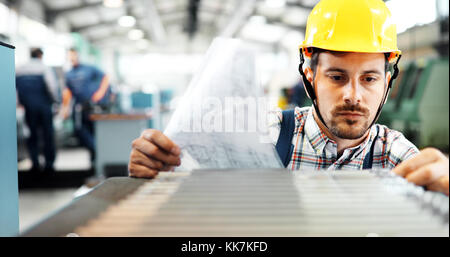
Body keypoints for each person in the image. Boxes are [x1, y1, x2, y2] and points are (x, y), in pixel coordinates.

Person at [127, 0, 449, 196]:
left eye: (369, 79)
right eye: (337, 77)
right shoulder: (264, 135)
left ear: (388, 80)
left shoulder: (394, 154)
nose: (354, 95)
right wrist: (155, 172)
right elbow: (186, 188)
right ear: (310, 74)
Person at [62, 48, 111, 161]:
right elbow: (67, 92)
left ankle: (96, 159)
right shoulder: (69, 74)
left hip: (93, 107)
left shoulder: (89, 69)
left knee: (95, 131)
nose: (72, 58)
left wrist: (100, 94)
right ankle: (94, 150)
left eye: (73, 55)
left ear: (78, 56)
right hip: (79, 108)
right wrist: (65, 108)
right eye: (70, 56)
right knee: (79, 131)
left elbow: (105, 77)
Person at [16, 48, 59, 173]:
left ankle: (35, 163)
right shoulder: (44, 68)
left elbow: (15, 89)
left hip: (28, 107)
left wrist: (19, 103)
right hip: (44, 106)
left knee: (32, 135)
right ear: (40, 55)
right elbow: (52, 87)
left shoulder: (20, 69)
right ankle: (49, 164)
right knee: (47, 135)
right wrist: (56, 101)